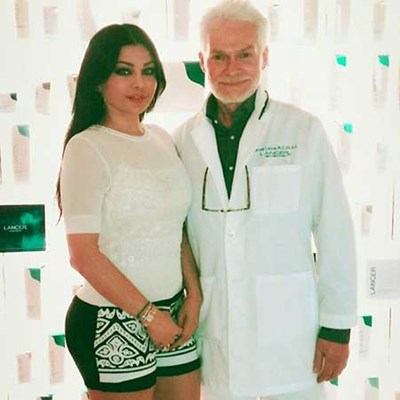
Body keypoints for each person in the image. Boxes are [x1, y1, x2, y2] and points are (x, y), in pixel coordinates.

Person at [173, 1, 358, 399]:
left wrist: (337, 325)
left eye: (245, 55)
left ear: (265, 57)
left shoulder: (303, 131)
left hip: (291, 335)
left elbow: (335, 232)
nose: (232, 69)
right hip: (217, 330)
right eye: (219, 57)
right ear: (202, 61)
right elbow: (176, 235)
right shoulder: (181, 141)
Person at [55, 24, 202, 400]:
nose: (140, 83)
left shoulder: (162, 138)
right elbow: (83, 255)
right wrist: (148, 316)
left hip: (173, 312)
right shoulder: (86, 147)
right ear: (98, 80)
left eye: (148, 71)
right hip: (112, 319)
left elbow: (177, 228)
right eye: (124, 71)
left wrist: (194, 294)